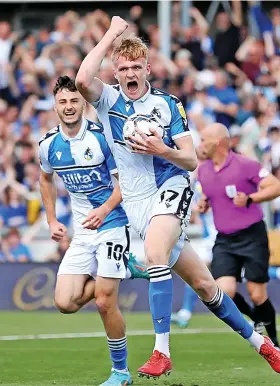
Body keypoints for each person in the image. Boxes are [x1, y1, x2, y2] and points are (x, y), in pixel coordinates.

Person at [76, 16, 280, 380]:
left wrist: (160, 148)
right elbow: (80, 80)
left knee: (155, 253)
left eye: (136, 66)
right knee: (205, 286)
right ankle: (264, 346)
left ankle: (161, 351)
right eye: (122, 68)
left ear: (148, 68)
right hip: (137, 202)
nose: (129, 73)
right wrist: (112, 34)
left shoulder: (169, 105)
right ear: (116, 71)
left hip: (172, 185)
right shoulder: (107, 100)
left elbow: (189, 158)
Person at [39, 75, 148, 386]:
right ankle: (122, 271)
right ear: (55, 105)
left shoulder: (101, 138)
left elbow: (125, 182)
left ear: (83, 103)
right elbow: (45, 179)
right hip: (83, 233)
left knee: (103, 301)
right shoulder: (49, 145)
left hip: (112, 225)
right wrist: (51, 220)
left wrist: (103, 210)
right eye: (63, 102)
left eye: (74, 100)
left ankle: (120, 372)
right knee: (64, 302)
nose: (69, 106)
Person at [198, 122, 280, 347]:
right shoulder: (203, 170)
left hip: (252, 236)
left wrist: (251, 198)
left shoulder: (245, 164)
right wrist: (204, 203)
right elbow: (211, 194)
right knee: (224, 292)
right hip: (224, 239)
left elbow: (275, 186)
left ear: (218, 143)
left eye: (204, 140)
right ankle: (257, 320)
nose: (200, 144)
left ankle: (274, 343)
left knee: (256, 294)